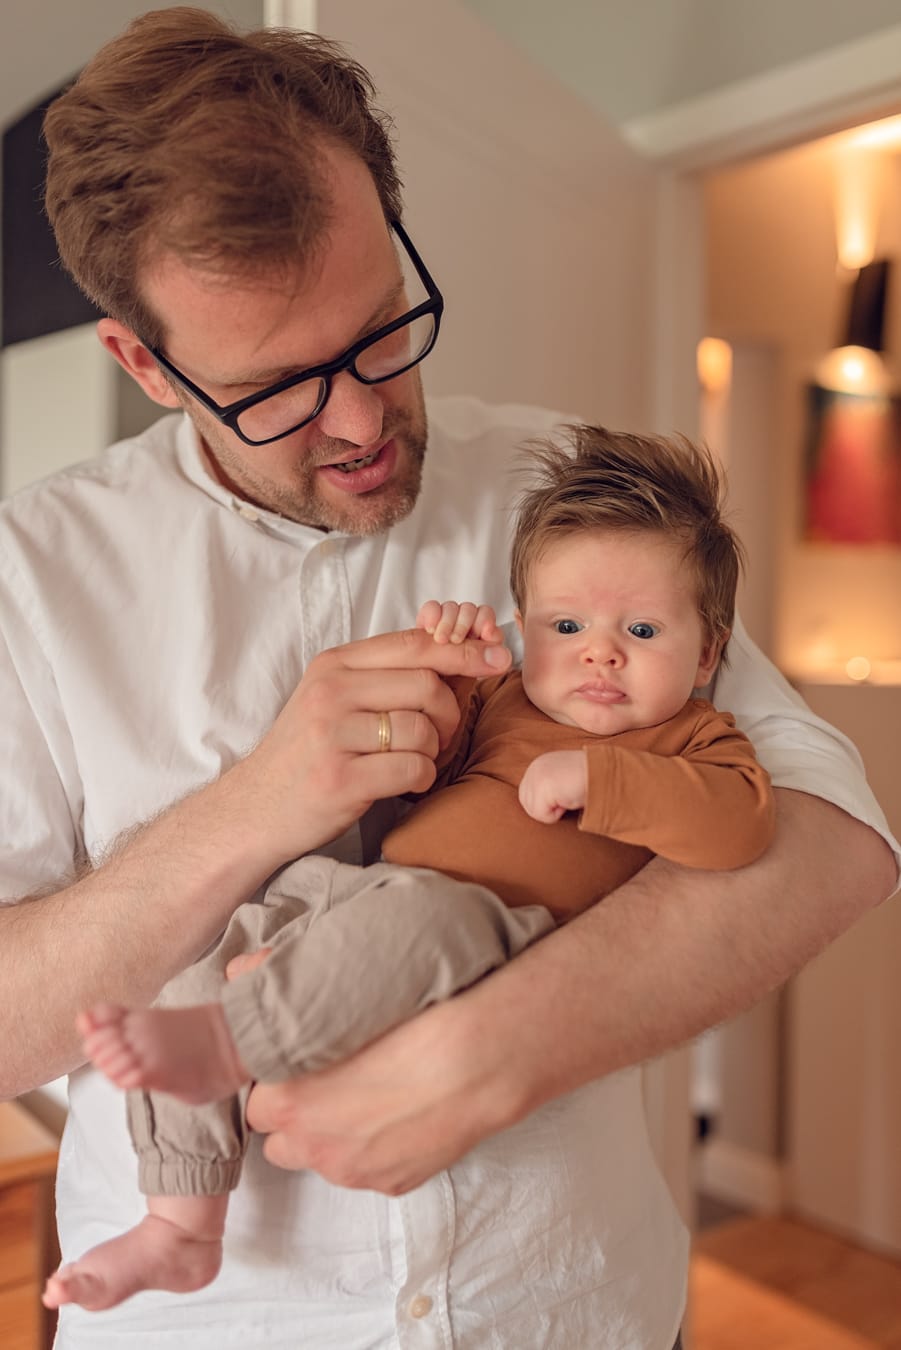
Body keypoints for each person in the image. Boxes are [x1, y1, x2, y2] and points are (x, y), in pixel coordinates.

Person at [0, 7, 895, 1347]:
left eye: (381, 330)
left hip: (572, 1308)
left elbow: (835, 830)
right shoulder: (29, 576)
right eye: (278, 388)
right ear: (145, 363)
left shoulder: (572, 497)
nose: (363, 420)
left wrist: (495, 1053)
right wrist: (252, 809)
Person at [42, 427, 776, 1313]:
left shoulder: (694, 738)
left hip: (484, 930)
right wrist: (450, 687)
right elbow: (418, 777)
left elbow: (739, 827)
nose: (600, 652)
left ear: (707, 652)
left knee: (422, 921)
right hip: (354, 894)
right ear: (524, 627)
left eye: (643, 630)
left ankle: (229, 1043)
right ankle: (181, 1223)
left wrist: (602, 781)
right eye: (566, 626)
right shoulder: (508, 700)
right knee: (196, 965)